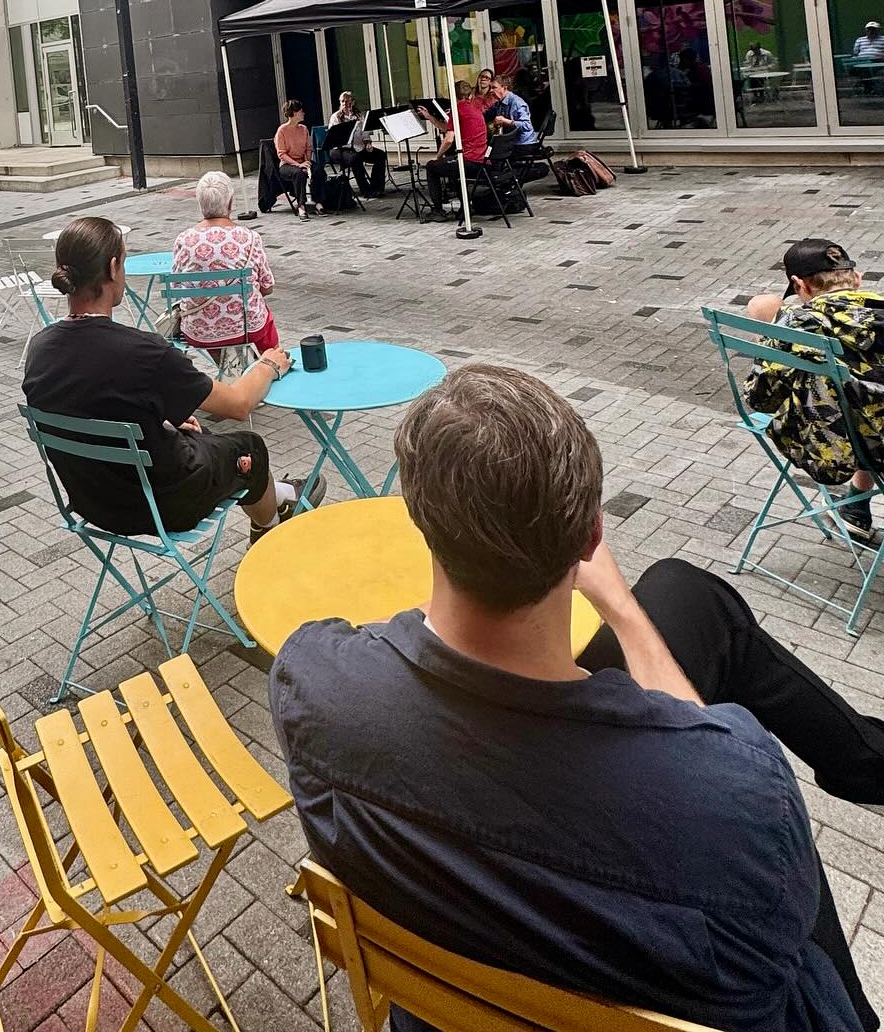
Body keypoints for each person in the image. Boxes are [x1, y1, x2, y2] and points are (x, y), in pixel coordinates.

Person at [271, 363, 881, 1032]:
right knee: (678, 599)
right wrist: (620, 610)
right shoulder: (744, 790)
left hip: (449, 1003)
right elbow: (710, 770)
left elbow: (387, 640)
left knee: (683, 594)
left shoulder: (312, 685)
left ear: (417, 521)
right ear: (591, 536)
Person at [23, 217, 323, 541]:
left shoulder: (39, 349)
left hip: (94, 503)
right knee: (250, 447)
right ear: (112, 268)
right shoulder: (142, 352)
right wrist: (268, 364)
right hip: (164, 505)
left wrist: (163, 422)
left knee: (200, 431)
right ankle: (269, 530)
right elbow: (238, 404)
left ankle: (279, 495)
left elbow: (94, 407)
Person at [743, 238, 884, 546]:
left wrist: (771, 333)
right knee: (864, 405)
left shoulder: (798, 325)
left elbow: (760, 399)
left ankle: (854, 509)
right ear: (857, 280)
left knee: (847, 410)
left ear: (799, 285)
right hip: (874, 435)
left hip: (839, 445)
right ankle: (855, 508)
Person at [170, 172, 279, 359]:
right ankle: (272, 363)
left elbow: (177, 288)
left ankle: (228, 370)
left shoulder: (183, 240)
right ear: (230, 203)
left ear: (200, 203)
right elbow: (267, 287)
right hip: (246, 327)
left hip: (198, 332)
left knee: (214, 334)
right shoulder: (250, 238)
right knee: (262, 316)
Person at [422, 80, 488, 220]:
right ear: (469, 95)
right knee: (451, 165)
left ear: (453, 96)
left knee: (431, 167)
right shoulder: (475, 108)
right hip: (482, 160)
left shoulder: (457, 110)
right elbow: (448, 128)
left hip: (470, 160)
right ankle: (464, 207)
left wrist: (438, 156)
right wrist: (430, 117)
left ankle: (438, 211)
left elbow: (449, 139)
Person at [327, 91, 385, 196]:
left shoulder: (359, 116)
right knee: (355, 158)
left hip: (358, 147)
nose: (345, 104)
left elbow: (365, 135)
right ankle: (365, 190)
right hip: (340, 149)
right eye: (342, 102)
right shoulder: (335, 117)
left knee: (380, 155)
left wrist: (368, 143)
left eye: (348, 102)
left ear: (353, 102)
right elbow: (333, 138)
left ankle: (377, 187)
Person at [272, 99, 318, 219]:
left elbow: (308, 148)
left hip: (302, 161)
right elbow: (281, 154)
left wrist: (307, 161)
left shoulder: (303, 128)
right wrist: (298, 165)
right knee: (299, 174)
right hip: (287, 164)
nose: (303, 113)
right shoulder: (282, 131)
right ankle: (301, 205)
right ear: (294, 113)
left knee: (318, 170)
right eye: (301, 111)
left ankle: (319, 201)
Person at [483, 70, 539, 147]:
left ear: (504, 88)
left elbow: (527, 126)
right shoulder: (499, 103)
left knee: (494, 154)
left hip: (523, 143)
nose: (491, 90)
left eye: (494, 87)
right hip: (510, 141)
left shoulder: (517, 102)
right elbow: (486, 115)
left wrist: (505, 121)